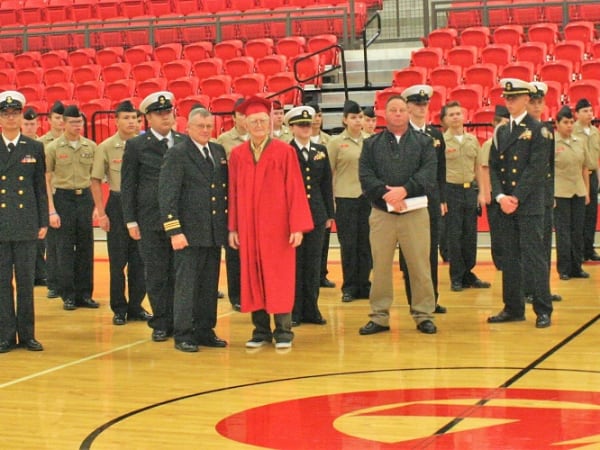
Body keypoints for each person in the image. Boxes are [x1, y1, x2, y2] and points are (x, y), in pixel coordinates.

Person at [228, 96, 313, 350]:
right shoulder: (237, 155)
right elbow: (232, 193)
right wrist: (233, 227)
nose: (259, 125)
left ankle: (284, 330)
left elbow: (295, 189)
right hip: (249, 227)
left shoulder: (284, 151)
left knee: (279, 276)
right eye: (254, 121)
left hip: (278, 228)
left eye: (263, 121)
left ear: (271, 123)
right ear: (245, 124)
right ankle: (261, 331)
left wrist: (297, 226)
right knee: (253, 275)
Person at [358, 94, 438, 335]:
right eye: (393, 110)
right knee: (380, 267)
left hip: (415, 213)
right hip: (382, 213)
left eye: (402, 110)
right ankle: (379, 316)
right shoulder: (371, 144)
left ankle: (423, 314)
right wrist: (386, 194)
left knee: (420, 266)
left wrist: (404, 190)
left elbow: (429, 174)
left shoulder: (424, 142)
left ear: (408, 112)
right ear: (384, 113)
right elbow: (365, 176)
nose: (398, 113)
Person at [159, 107, 228, 352]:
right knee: (186, 286)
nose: (205, 130)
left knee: (208, 286)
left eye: (209, 126)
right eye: (200, 126)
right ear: (187, 127)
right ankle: (183, 334)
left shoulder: (217, 151)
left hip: (212, 231)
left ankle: (205, 330)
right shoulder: (177, 153)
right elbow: (167, 195)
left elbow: (220, 191)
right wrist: (174, 231)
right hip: (187, 233)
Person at [488, 78, 553, 328]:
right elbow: (494, 167)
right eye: (507, 98)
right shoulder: (502, 131)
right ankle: (513, 307)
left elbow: (536, 169)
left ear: (527, 99)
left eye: (514, 98)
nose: (509, 102)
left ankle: (543, 309)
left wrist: (516, 197)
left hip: (528, 204)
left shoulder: (539, 130)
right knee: (510, 258)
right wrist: (500, 196)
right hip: (506, 204)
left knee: (535, 257)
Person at [121, 91, 185, 342]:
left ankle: (180, 321)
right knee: (157, 274)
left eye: (168, 112)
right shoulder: (137, 145)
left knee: (180, 273)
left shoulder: (183, 141)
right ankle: (161, 322)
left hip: (180, 219)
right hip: (150, 219)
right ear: (147, 118)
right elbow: (128, 185)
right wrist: (130, 220)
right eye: (159, 113)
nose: (165, 117)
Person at [90, 100, 150, 326]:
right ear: (116, 121)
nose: (131, 122)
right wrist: (101, 212)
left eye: (134, 118)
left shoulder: (146, 145)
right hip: (117, 204)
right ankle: (119, 308)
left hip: (141, 206)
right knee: (117, 262)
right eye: (126, 118)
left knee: (140, 261)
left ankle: (136, 306)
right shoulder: (106, 147)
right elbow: (95, 180)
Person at [0, 90, 48, 353]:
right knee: (2, 283)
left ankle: (28, 334)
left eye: (15, 113)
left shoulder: (34, 147)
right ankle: (6, 335)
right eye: (5, 114)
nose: (10, 118)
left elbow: (39, 187)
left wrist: (43, 220)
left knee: (26, 283)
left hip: (26, 223)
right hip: (1, 224)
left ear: (21, 116)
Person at [45, 105, 99, 311]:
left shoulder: (91, 146)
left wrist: (97, 205)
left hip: (84, 198)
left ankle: (85, 294)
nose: (77, 125)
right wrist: (51, 209)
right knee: (65, 248)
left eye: (80, 122)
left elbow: (95, 178)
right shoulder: (53, 148)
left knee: (86, 247)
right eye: (73, 122)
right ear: (64, 123)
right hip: (63, 198)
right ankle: (68, 294)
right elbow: (46, 179)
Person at [284, 105, 334, 327]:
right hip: (292, 216)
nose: (306, 128)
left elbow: (326, 185)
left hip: (316, 215)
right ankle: (294, 310)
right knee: (295, 264)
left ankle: (311, 309)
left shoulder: (320, 151)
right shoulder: (286, 151)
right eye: (301, 125)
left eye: (308, 124)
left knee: (313, 264)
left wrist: (329, 214)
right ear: (292, 128)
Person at [399, 85, 446, 314]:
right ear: (407, 107)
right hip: (409, 201)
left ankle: (431, 299)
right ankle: (415, 301)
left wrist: (442, 198)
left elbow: (441, 170)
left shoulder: (435, 135)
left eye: (424, 104)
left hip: (431, 201)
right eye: (417, 104)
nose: (421, 108)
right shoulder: (399, 135)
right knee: (411, 254)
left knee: (430, 252)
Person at [442, 101, 490, 292]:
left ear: (464, 116)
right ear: (445, 119)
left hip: (470, 190)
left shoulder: (472, 140)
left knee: (470, 235)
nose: (455, 117)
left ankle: (468, 273)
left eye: (458, 113)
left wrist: (482, 192)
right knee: (454, 236)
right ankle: (456, 276)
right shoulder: (442, 142)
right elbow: (438, 172)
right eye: (451, 114)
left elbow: (478, 168)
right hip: (451, 191)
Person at [328, 100, 372, 302]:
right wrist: (331, 201)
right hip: (345, 199)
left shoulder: (370, 141)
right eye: (353, 117)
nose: (357, 121)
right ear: (345, 120)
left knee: (366, 244)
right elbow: (328, 173)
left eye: (360, 117)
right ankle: (349, 287)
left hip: (367, 199)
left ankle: (364, 284)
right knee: (349, 245)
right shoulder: (336, 143)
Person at [525, 82, 562, 303]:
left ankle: (543, 289)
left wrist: (551, 193)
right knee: (530, 246)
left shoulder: (547, 130)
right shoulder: (521, 131)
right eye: (533, 102)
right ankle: (529, 289)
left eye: (540, 102)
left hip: (544, 195)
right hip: (528, 197)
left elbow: (550, 166)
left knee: (545, 245)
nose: (537, 106)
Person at [216, 97, 247, 312]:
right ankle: (237, 295)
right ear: (234, 117)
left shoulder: (261, 138)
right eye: (241, 114)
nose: (245, 118)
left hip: (256, 201)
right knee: (234, 250)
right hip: (233, 200)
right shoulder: (223, 141)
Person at [553, 105, 590, 281]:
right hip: (560, 193)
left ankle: (577, 266)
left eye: (571, 122)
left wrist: (587, 191)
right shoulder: (552, 143)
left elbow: (585, 168)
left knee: (577, 231)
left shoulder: (579, 141)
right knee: (563, 232)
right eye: (565, 122)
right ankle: (564, 268)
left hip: (578, 191)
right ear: (557, 124)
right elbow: (547, 171)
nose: (569, 125)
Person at [38, 100, 65, 299]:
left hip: (67, 194)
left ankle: (68, 282)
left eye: (63, 117)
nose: (60, 121)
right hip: (49, 194)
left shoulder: (72, 140)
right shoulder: (40, 144)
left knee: (68, 243)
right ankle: (54, 282)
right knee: (53, 243)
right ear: (49, 120)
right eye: (57, 117)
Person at [307, 101, 334, 288]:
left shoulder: (329, 141)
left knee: (323, 241)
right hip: (303, 200)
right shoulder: (291, 142)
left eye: (319, 115)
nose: (316, 119)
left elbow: (328, 175)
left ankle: (321, 274)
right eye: (313, 116)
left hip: (320, 199)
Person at [479, 105, 510, 271]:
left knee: (508, 229)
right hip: (493, 192)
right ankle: (500, 261)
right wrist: (486, 193)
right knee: (497, 229)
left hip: (507, 192)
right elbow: (484, 169)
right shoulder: (489, 144)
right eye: (503, 123)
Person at [21, 107, 47, 287]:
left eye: (32, 124)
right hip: (20, 199)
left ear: (38, 124)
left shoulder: (41, 146)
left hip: (37, 197)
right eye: (26, 124)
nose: (29, 127)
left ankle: (40, 273)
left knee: (40, 240)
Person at [573, 98, 600, 262]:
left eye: (590, 111)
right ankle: (579, 250)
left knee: (591, 214)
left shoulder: (595, 132)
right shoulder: (573, 131)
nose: (589, 114)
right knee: (579, 215)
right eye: (585, 111)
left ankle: (589, 248)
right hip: (578, 175)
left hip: (592, 174)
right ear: (577, 114)